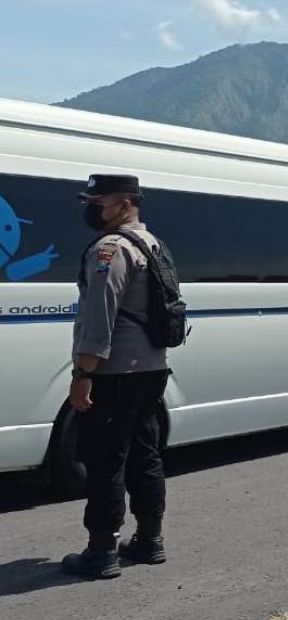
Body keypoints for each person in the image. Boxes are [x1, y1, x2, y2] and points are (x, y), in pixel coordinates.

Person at [62, 175, 174, 580]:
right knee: (145, 453)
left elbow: (99, 317)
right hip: (152, 369)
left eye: (98, 200)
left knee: (105, 458)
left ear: (126, 203)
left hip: (114, 373)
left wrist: (82, 373)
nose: (91, 207)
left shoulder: (110, 249)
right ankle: (149, 539)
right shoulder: (154, 244)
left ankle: (102, 550)